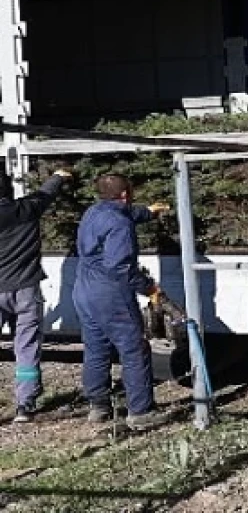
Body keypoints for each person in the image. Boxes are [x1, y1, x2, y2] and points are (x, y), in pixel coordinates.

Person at [73, 174, 170, 430]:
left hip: (84, 292)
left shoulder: (93, 212)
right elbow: (120, 266)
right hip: (111, 295)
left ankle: (99, 406)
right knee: (134, 349)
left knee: (96, 348)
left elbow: (123, 214)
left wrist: (148, 213)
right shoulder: (119, 223)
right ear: (125, 194)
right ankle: (140, 412)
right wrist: (149, 288)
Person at [0, 169, 71, 422]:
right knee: (27, 345)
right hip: (26, 288)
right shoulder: (27, 209)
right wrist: (59, 176)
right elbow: (45, 193)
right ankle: (24, 404)